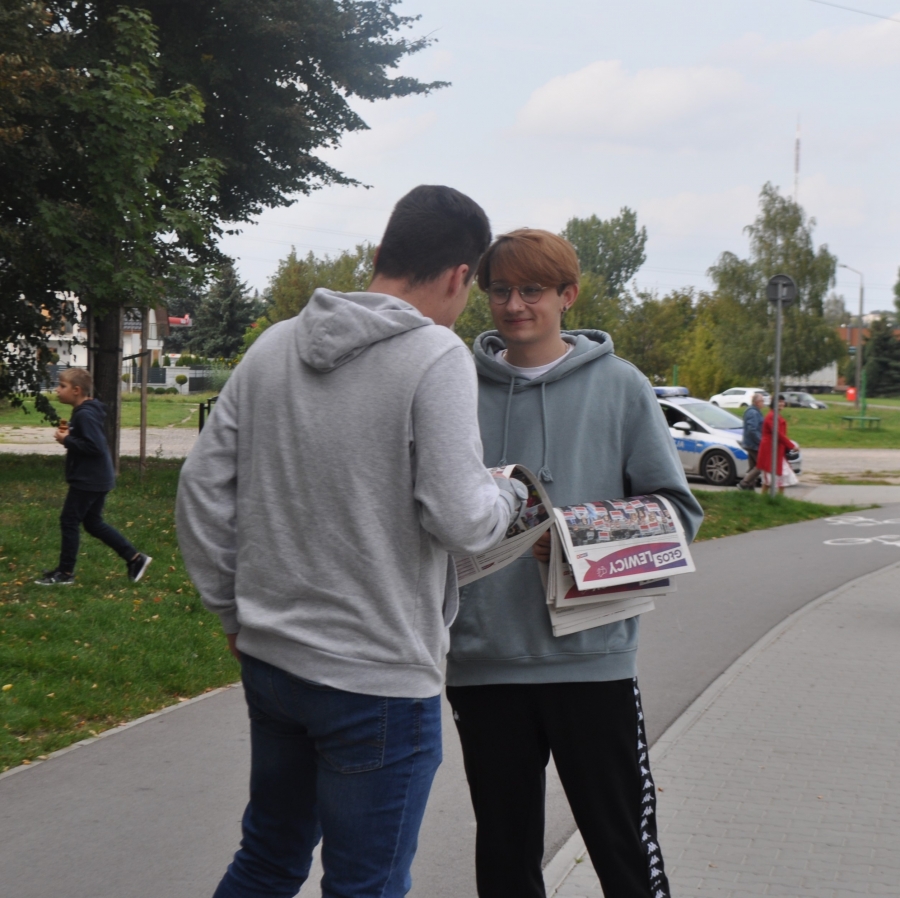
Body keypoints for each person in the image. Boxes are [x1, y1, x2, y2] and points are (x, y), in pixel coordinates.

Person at [176, 185, 526, 898]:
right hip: (380, 678)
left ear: (380, 253)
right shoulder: (435, 355)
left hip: (275, 661)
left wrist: (231, 611)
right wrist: (511, 497)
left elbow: (201, 489)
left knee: (266, 861)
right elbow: (462, 519)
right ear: (460, 275)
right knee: (366, 885)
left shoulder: (274, 346)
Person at [445, 229, 704, 898]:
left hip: (593, 660)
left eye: (532, 290)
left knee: (623, 849)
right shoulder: (453, 389)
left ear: (568, 296)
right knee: (504, 858)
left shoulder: (621, 387)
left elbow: (677, 513)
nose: (514, 305)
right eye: (501, 290)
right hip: (482, 660)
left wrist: (573, 539)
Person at [35, 368, 152, 586]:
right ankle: (135, 558)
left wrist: (67, 441)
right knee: (92, 523)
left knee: (69, 520)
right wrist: (70, 437)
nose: (57, 390)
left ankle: (65, 573)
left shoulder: (85, 414)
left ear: (77, 390)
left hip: (89, 479)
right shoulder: (84, 411)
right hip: (97, 477)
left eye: (62, 386)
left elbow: (95, 447)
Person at [757, 395, 797, 495]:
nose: (781, 404)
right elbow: (777, 433)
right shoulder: (771, 416)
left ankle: (779, 499)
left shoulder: (776, 416)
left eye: (783, 401)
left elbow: (781, 435)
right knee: (769, 478)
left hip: (777, 451)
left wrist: (787, 446)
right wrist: (791, 445)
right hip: (770, 451)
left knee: (782, 475)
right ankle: (764, 499)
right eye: (779, 401)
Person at [737, 391, 765, 490]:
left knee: (753, 467)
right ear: (757, 402)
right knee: (761, 465)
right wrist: (761, 441)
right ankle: (744, 483)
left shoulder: (754, 411)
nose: (763, 403)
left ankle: (749, 489)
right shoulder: (753, 412)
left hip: (752, 444)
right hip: (753, 445)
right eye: (762, 401)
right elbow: (752, 430)